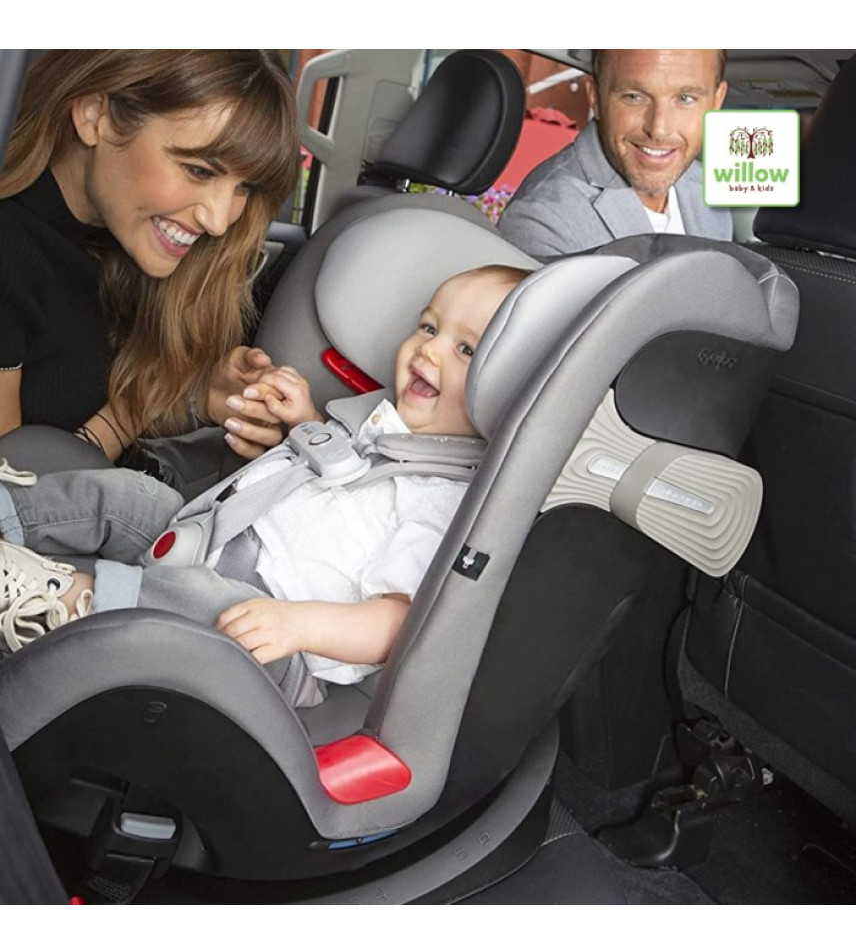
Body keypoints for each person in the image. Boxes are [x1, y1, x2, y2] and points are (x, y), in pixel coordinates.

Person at [0, 264, 529, 701]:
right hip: (213, 538)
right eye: (429, 328)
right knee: (135, 495)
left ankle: (61, 605)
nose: (428, 350)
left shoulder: (446, 500)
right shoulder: (381, 424)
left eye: (466, 350)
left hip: (268, 638)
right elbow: (340, 483)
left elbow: (395, 623)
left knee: (204, 599)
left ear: (511, 395)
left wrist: (295, 625)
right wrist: (305, 425)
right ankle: (11, 511)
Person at [0, 50, 301, 467]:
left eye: (244, 187)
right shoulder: (11, 253)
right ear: (93, 115)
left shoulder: (113, 246)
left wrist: (196, 396)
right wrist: (141, 406)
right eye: (199, 171)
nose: (218, 221)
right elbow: (21, 495)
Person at [498, 50, 732, 258]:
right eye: (634, 96)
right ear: (595, 97)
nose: (659, 129)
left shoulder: (709, 191)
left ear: (716, 101)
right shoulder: (543, 219)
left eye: (685, 98)